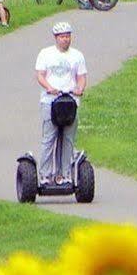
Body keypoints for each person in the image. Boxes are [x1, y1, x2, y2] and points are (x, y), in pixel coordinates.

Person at [34, 21, 89, 185]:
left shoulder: (77, 55)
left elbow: (81, 77)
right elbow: (40, 75)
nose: (65, 39)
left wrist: (80, 88)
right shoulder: (45, 53)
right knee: (49, 138)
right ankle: (45, 175)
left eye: (68, 36)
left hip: (70, 102)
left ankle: (64, 174)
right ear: (56, 38)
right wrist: (49, 87)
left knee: (68, 139)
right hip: (50, 102)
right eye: (62, 37)